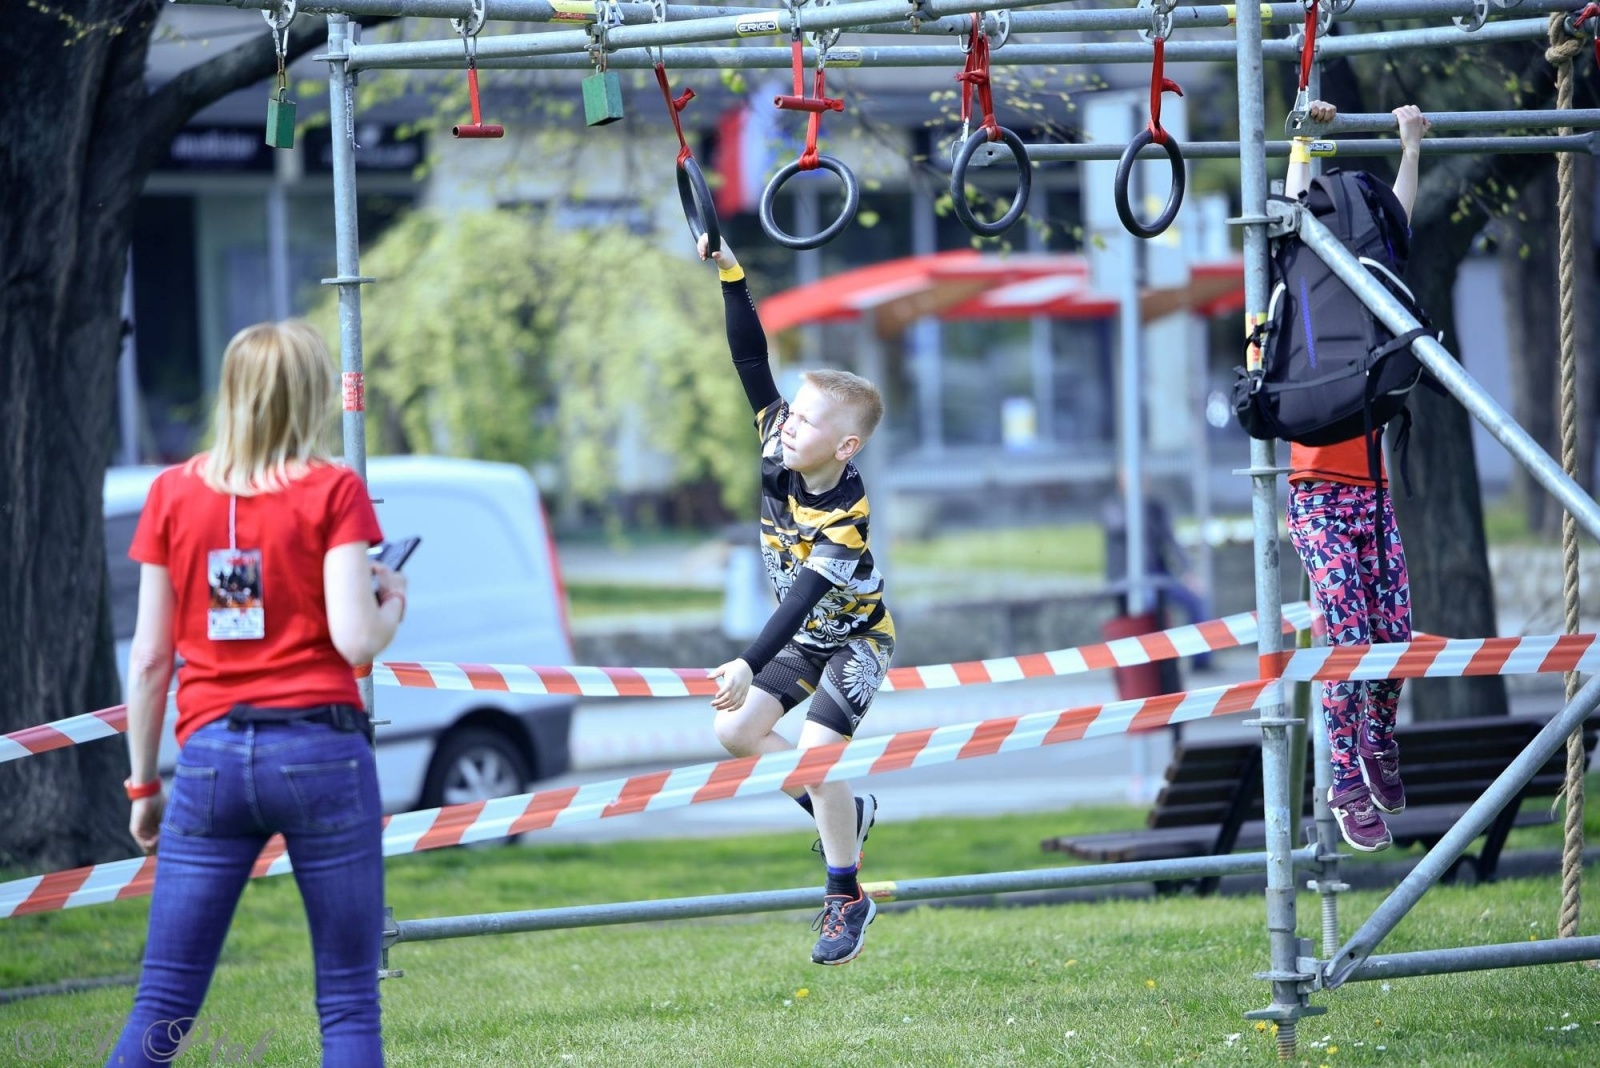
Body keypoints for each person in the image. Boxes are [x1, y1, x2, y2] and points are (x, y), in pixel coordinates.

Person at [108, 320, 407, 1066]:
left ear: (231, 392)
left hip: (210, 758)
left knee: (163, 1001)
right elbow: (357, 641)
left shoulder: (171, 493)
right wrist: (394, 600)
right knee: (348, 1001)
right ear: (311, 396)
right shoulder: (333, 489)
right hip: (321, 750)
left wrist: (143, 786)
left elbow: (149, 659)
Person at [699, 235, 894, 967]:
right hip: (804, 642)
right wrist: (731, 273)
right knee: (734, 731)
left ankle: (846, 895)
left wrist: (749, 661)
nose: (787, 423)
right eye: (791, 413)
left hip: (854, 641)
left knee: (816, 756)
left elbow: (803, 598)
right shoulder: (775, 444)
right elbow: (751, 359)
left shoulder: (847, 516)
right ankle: (841, 810)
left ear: (845, 447)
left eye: (806, 421)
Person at [1283, 101, 1430, 852]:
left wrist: (1410, 147)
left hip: (1372, 492)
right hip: (1316, 494)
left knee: (1393, 633)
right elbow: (1290, 204)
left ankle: (1377, 739)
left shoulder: (1372, 293)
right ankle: (1343, 779)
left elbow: (1397, 224)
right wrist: (1305, 136)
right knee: (1346, 633)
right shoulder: (1305, 284)